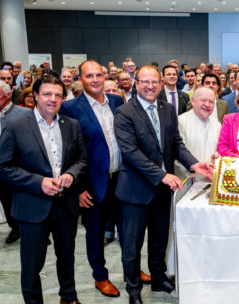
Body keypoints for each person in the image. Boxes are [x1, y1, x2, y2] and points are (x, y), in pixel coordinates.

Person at [113, 65, 213, 304]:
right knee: (132, 245)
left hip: (162, 189)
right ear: (136, 83)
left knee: (159, 238)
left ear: (160, 84)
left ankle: (158, 277)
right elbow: (131, 152)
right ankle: (134, 290)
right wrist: (161, 174)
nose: (149, 86)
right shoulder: (124, 112)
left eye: (154, 82)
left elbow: (176, 144)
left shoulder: (167, 109)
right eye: (144, 82)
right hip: (135, 190)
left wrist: (194, 165)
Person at [0, 74, 87, 304]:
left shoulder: (71, 125)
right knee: (32, 265)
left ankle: (68, 296)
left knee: (66, 257)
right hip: (32, 207)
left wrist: (70, 175)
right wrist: (39, 183)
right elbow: (2, 167)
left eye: (57, 95)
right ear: (35, 95)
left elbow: (82, 160)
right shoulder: (15, 125)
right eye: (46, 94)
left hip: (65, 205)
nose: (52, 99)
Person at [60, 59, 142, 298]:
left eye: (99, 75)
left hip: (122, 179)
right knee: (95, 234)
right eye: (89, 76)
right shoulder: (70, 108)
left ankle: (133, 271)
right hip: (92, 184)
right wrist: (78, 189)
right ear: (81, 79)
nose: (95, 80)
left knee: (129, 231)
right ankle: (100, 276)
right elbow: (68, 153)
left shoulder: (117, 101)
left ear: (105, 77)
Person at [0, 80, 30, 244]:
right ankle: (15, 229)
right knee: (6, 202)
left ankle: (32, 231)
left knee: (23, 201)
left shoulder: (24, 114)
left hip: (18, 169)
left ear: (8, 94)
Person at [177, 87, 222, 178]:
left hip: (210, 178)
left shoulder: (217, 124)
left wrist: (217, 157)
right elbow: (179, 152)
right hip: (188, 180)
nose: (207, 104)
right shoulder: (181, 121)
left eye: (211, 102)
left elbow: (218, 150)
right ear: (193, 101)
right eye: (203, 100)